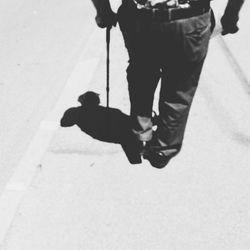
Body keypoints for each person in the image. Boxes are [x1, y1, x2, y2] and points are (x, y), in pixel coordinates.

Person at [90, 0, 245, 168]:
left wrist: (103, 12)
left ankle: (141, 134)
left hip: (138, 17)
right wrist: (231, 16)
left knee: (142, 74)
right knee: (179, 88)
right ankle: (162, 149)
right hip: (191, 18)